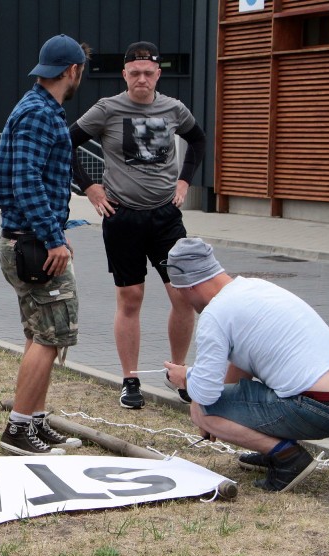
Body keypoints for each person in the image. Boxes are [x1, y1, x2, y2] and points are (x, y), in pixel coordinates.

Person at [70, 41, 206, 409]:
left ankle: (178, 372)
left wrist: (184, 181)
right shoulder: (107, 109)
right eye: (135, 73)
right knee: (131, 298)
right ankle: (130, 380)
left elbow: (197, 140)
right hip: (123, 216)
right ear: (125, 75)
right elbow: (65, 144)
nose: (142, 78)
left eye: (149, 72)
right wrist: (90, 188)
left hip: (165, 217)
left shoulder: (173, 108)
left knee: (184, 296)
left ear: (157, 74)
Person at [162, 238, 329, 493]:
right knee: (218, 404)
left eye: (179, 292)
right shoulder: (254, 287)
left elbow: (205, 394)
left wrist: (185, 378)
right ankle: (272, 448)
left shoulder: (215, 313)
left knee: (200, 410)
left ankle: (287, 457)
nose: (182, 299)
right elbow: (239, 373)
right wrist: (221, 406)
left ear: (187, 285)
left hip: (317, 405)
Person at [0, 34, 88, 456]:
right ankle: (17, 428)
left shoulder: (37, 108)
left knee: (40, 334)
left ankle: (33, 419)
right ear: (72, 71)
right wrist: (54, 238)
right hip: (35, 243)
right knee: (51, 337)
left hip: (29, 240)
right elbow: (25, 181)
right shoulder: (38, 114)